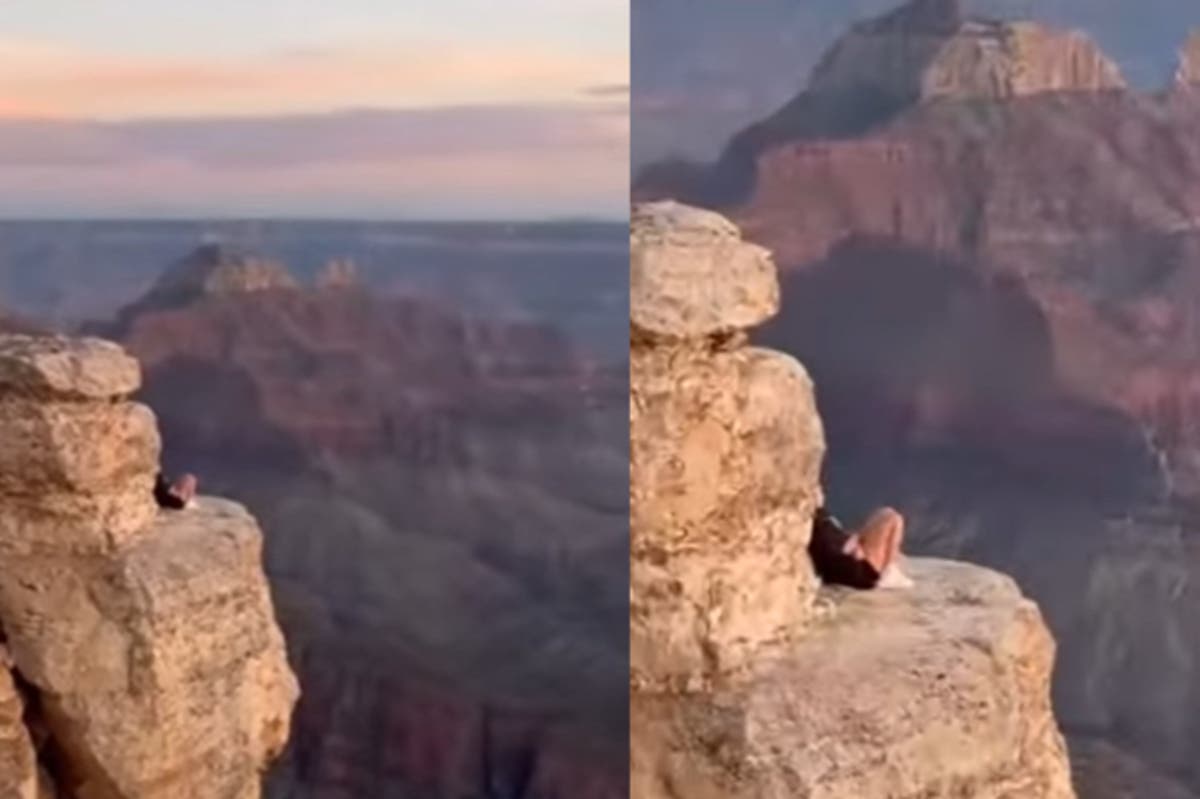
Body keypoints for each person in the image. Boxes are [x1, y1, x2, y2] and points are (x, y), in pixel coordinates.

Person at [809, 505, 914, 590]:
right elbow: (893, 547)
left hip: (856, 563)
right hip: (869, 572)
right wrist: (888, 572)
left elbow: (860, 538)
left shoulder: (880, 514)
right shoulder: (896, 519)